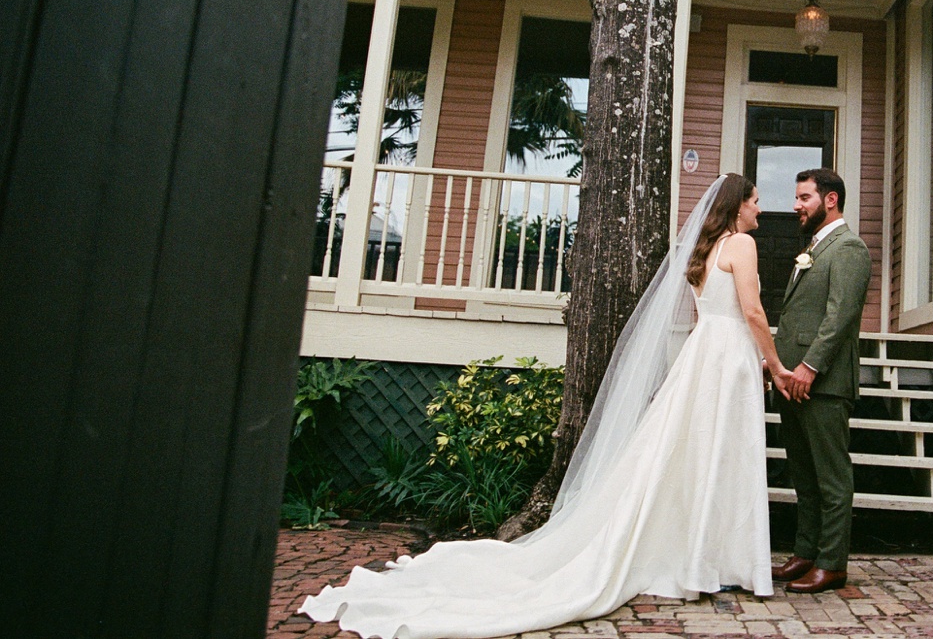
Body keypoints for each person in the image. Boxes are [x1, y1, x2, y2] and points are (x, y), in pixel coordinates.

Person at [300, 174, 794, 639]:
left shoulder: (705, 251)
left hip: (703, 355)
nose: (759, 207)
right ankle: (714, 560)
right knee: (721, 455)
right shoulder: (743, 244)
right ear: (736, 206)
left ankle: (704, 559)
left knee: (694, 456)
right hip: (728, 357)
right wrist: (774, 364)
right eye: (753, 199)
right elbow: (751, 310)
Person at [769, 168, 873, 594]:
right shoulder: (813, 247)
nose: (796, 205)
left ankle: (832, 563)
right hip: (794, 381)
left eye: (804, 198)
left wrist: (810, 367)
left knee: (831, 477)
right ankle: (805, 553)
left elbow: (839, 317)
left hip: (823, 383)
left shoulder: (849, 248)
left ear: (830, 200)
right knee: (803, 475)